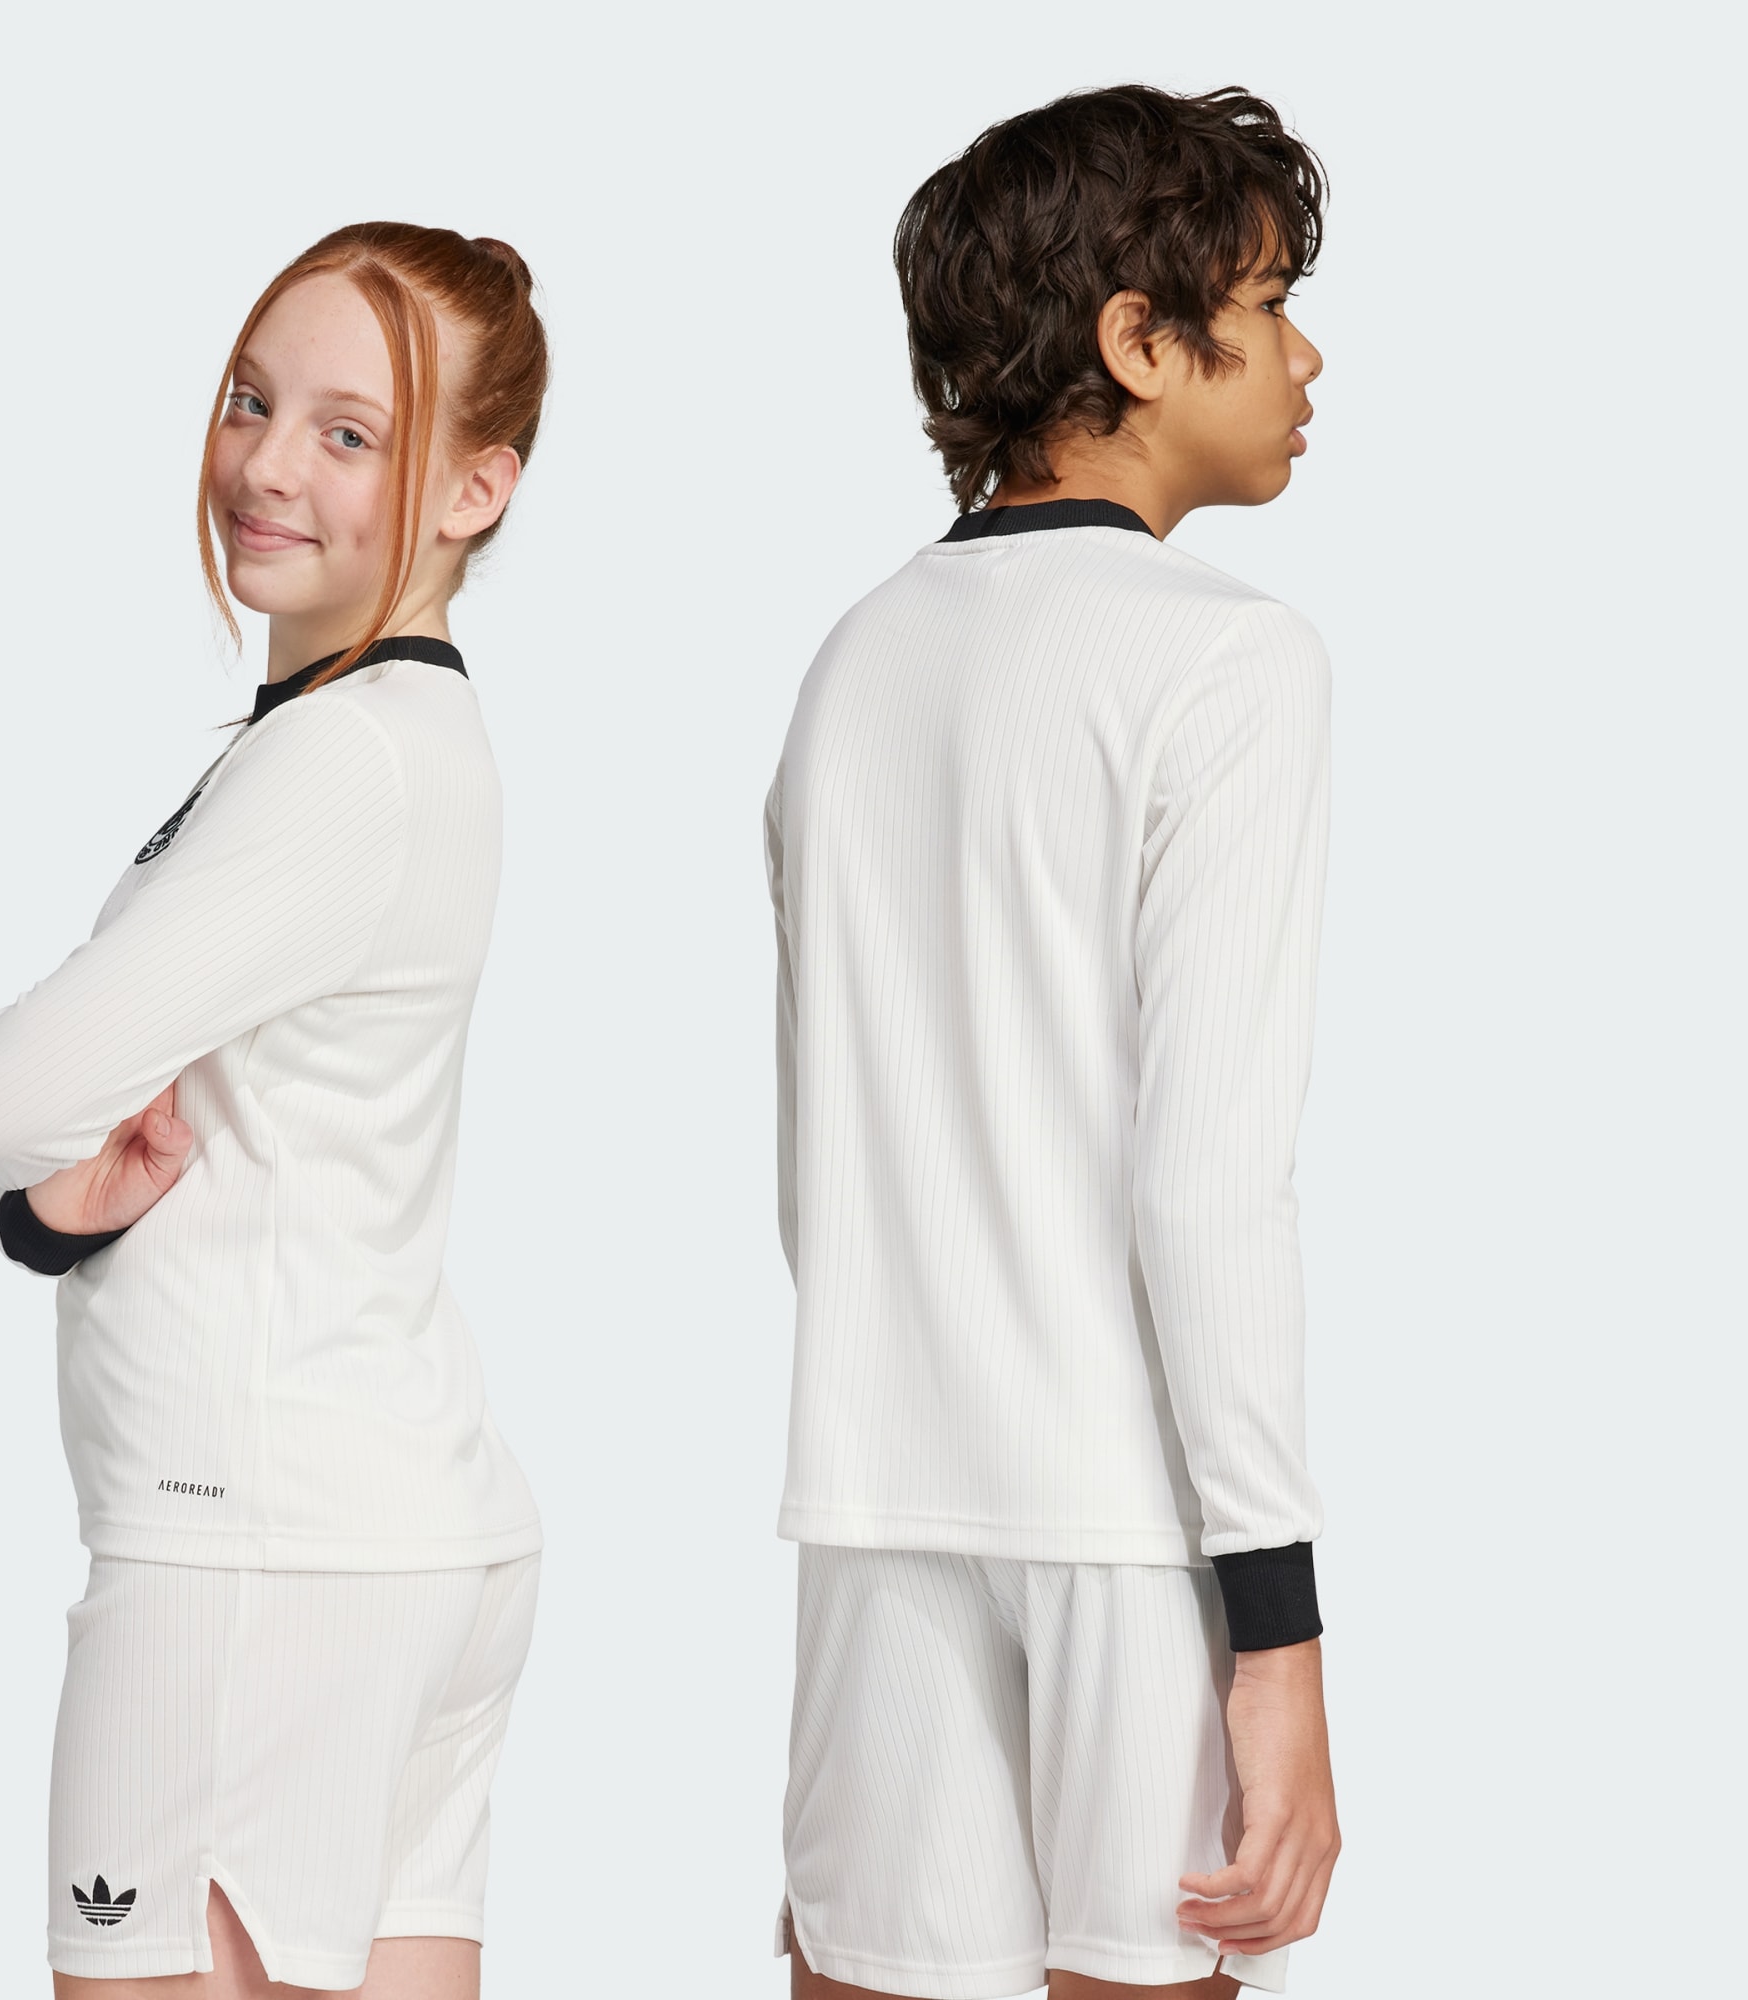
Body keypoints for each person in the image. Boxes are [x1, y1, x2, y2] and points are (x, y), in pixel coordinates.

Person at [764, 88, 1341, 1998]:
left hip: (874, 1498)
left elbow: (820, 1160)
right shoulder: (1227, 658)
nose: (1307, 359)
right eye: (1269, 307)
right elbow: (1210, 1183)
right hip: (1130, 1522)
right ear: (1139, 341)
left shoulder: (855, 659)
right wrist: (1277, 1634)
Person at [0, 221, 549, 2000]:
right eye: (249, 402)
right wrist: (47, 1212)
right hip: (394, 1532)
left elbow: (11, 1091)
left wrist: (22, 1168)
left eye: (350, 433)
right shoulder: (386, 744)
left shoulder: (342, 759)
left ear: (476, 490)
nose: (267, 465)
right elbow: (71, 1141)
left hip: (252, 1544)